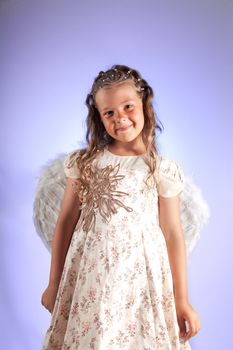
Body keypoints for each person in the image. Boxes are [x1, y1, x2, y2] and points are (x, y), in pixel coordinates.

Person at [41, 64, 201, 349]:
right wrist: (54, 283)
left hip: (142, 280)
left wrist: (182, 300)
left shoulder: (160, 170)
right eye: (109, 113)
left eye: (128, 107)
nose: (121, 118)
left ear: (144, 107)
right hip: (93, 278)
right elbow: (65, 221)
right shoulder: (85, 163)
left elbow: (173, 233)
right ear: (99, 118)